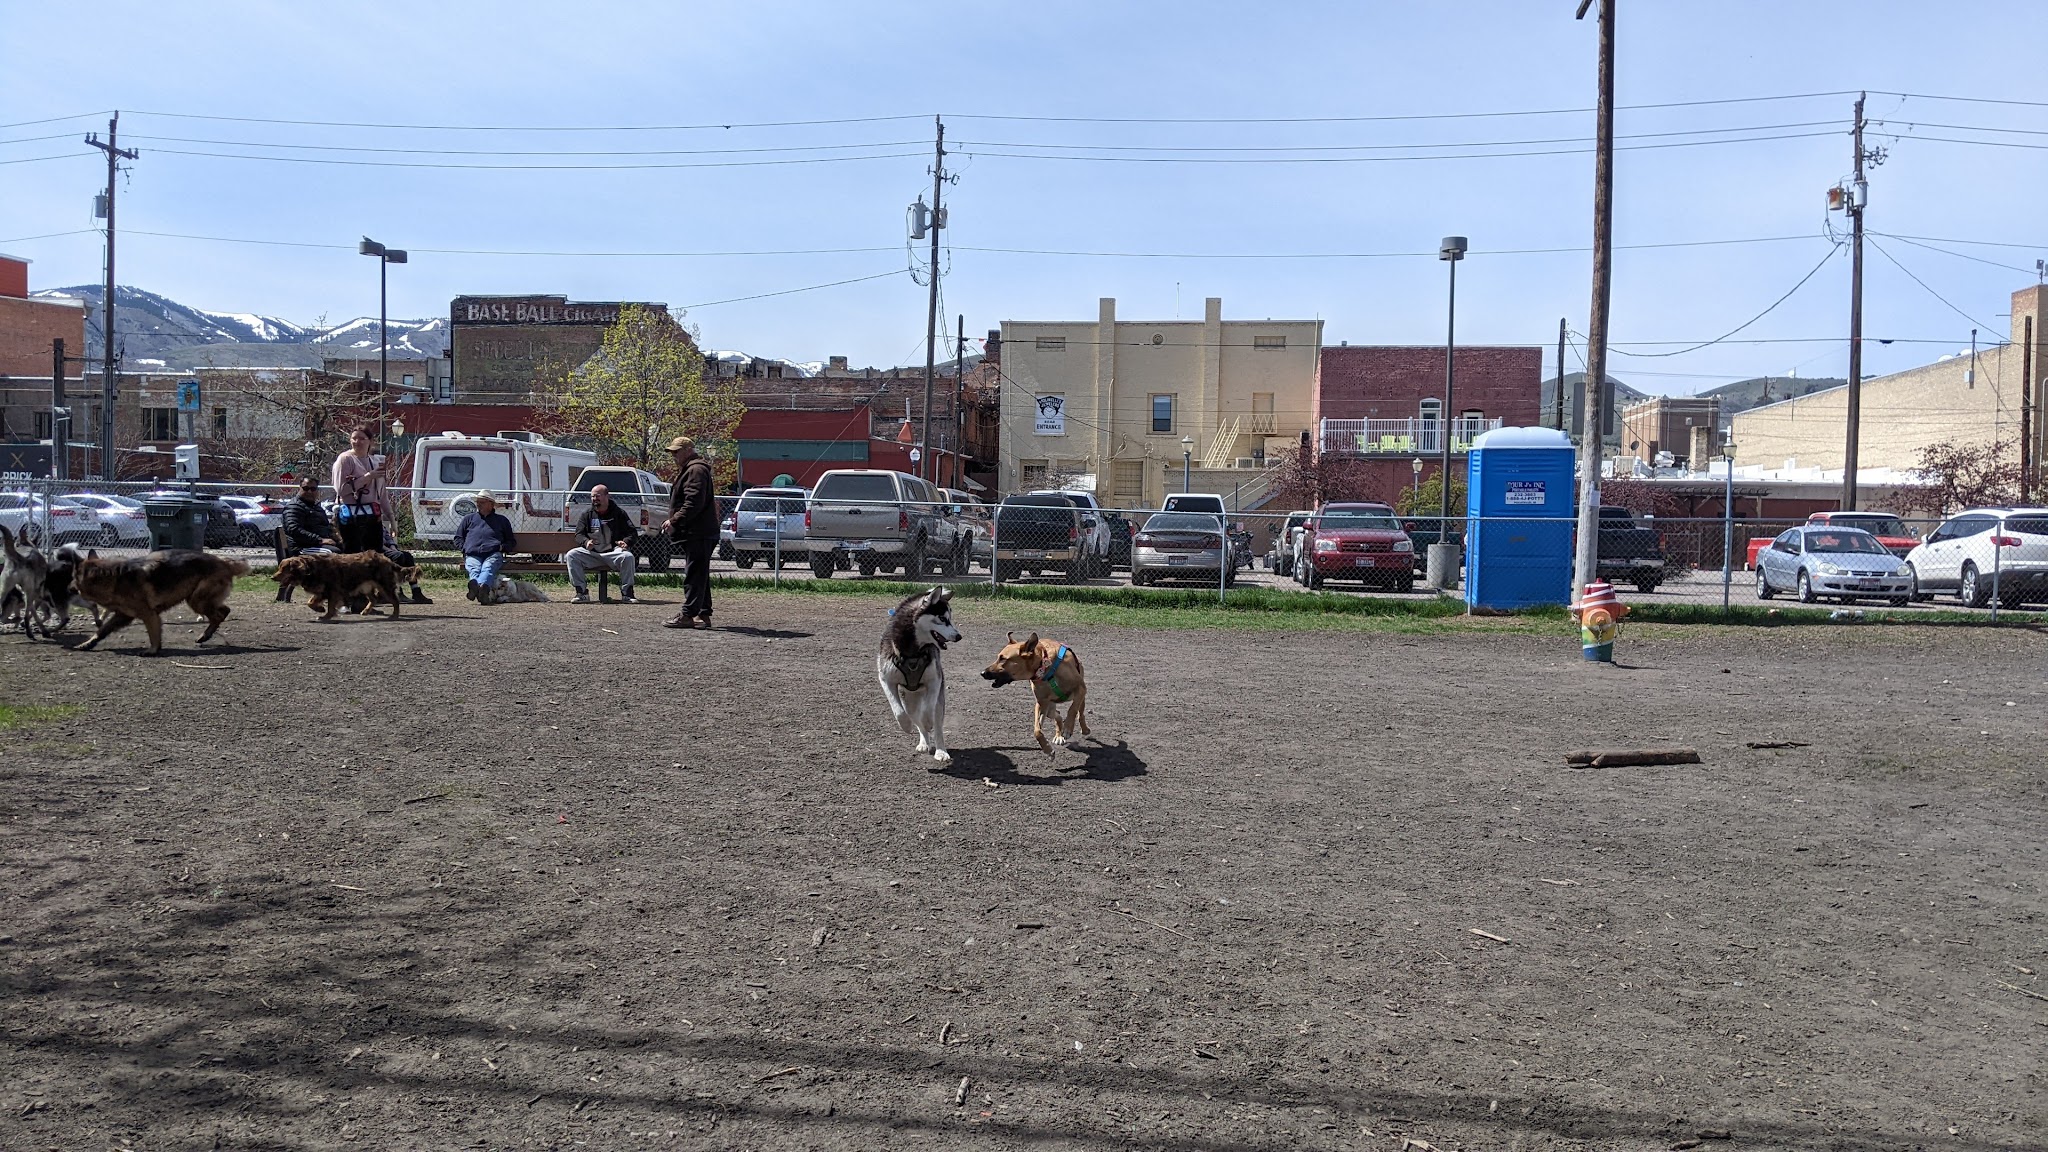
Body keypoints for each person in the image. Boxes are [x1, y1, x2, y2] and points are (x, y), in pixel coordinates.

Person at [660, 436, 718, 629]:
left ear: (688, 450)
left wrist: (674, 520)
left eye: (677, 452)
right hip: (699, 531)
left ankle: (687, 615)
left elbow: (693, 502)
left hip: (698, 532)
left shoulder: (695, 470)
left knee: (693, 574)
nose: (674, 456)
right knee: (699, 574)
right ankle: (703, 613)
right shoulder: (695, 469)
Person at [565, 484, 638, 604]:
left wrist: (625, 542)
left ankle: (627, 594)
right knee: (571, 555)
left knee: (628, 557)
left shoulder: (619, 513)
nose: (594, 499)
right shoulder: (586, 514)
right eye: (592, 497)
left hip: (613, 553)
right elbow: (579, 534)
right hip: (592, 554)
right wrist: (586, 542)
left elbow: (632, 533)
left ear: (607, 496)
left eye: (597, 496)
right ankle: (581, 593)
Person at [276, 476, 340, 603]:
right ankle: (335, 597)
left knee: (349, 550)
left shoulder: (316, 507)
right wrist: (319, 540)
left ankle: (352, 595)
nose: (310, 491)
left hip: (317, 544)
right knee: (335, 555)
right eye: (306, 488)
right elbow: (293, 529)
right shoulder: (294, 507)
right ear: (300, 488)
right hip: (302, 547)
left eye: (313, 489)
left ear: (317, 490)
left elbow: (326, 527)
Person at [330, 424, 389, 556]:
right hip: (351, 517)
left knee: (375, 555)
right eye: (354, 438)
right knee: (353, 555)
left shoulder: (375, 461)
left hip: (372, 516)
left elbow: (382, 494)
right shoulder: (345, 459)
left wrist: (390, 517)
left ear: (370, 441)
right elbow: (341, 490)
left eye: (362, 438)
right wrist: (368, 477)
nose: (357, 442)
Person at [451, 490, 517, 605]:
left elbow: (511, 541)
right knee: (474, 568)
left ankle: (477, 587)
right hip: (473, 554)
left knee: (488, 567)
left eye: (482, 502)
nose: (478, 504)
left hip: (493, 553)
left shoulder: (502, 520)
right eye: (478, 501)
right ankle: (482, 590)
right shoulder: (468, 519)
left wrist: (502, 547)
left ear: (491, 504)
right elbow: (458, 538)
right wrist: (465, 548)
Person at [381, 521, 433, 605]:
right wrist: (390, 550)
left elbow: (388, 538)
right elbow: (375, 543)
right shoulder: (367, 522)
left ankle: (416, 591)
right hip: (375, 551)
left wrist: (393, 547)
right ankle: (397, 591)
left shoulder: (379, 523)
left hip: (387, 548)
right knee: (398, 556)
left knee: (407, 556)